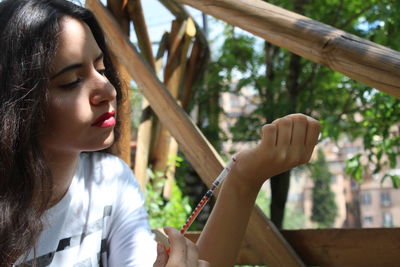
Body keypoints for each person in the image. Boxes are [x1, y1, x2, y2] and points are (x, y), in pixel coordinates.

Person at [0, 0, 321, 266]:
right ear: (15, 102)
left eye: (100, 68)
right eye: (71, 81)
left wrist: (245, 178)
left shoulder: (110, 181)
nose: (108, 89)